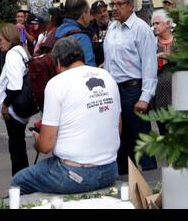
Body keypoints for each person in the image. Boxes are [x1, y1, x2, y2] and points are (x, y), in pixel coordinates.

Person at [10, 36, 120, 195]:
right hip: (110, 169)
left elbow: (46, 146)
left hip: (74, 175)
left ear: (58, 63)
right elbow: (117, 127)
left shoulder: (57, 83)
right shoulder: (107, 76)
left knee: (18, 181)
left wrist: (37, 141)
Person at [102, 0, 158, 175]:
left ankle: (152, 188)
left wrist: (145, 97)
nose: (114, 8)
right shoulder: (112, 27)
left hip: (134, 91)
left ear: (131, 6)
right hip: (114, 92)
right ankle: (125, 189)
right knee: (120, 144)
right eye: (112, 4)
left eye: (119, 4)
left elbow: (149, 64)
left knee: (142, 143)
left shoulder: (141, 29)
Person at [0, 23, 33, 176]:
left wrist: (5, 105)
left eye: (0, 40)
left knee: (16, 150)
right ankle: (22, 184)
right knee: (19, 148)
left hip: (14, 111)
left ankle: (19, 186)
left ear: (9, 39)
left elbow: (15, 86)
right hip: (22, 109)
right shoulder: (22, 52)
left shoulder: (12, 55)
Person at [56, 0, 97, 65]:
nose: (90, 15)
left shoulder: (58, 31)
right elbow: (89, 70)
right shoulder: (82, 38)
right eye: (89, 12)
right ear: (83, 14)